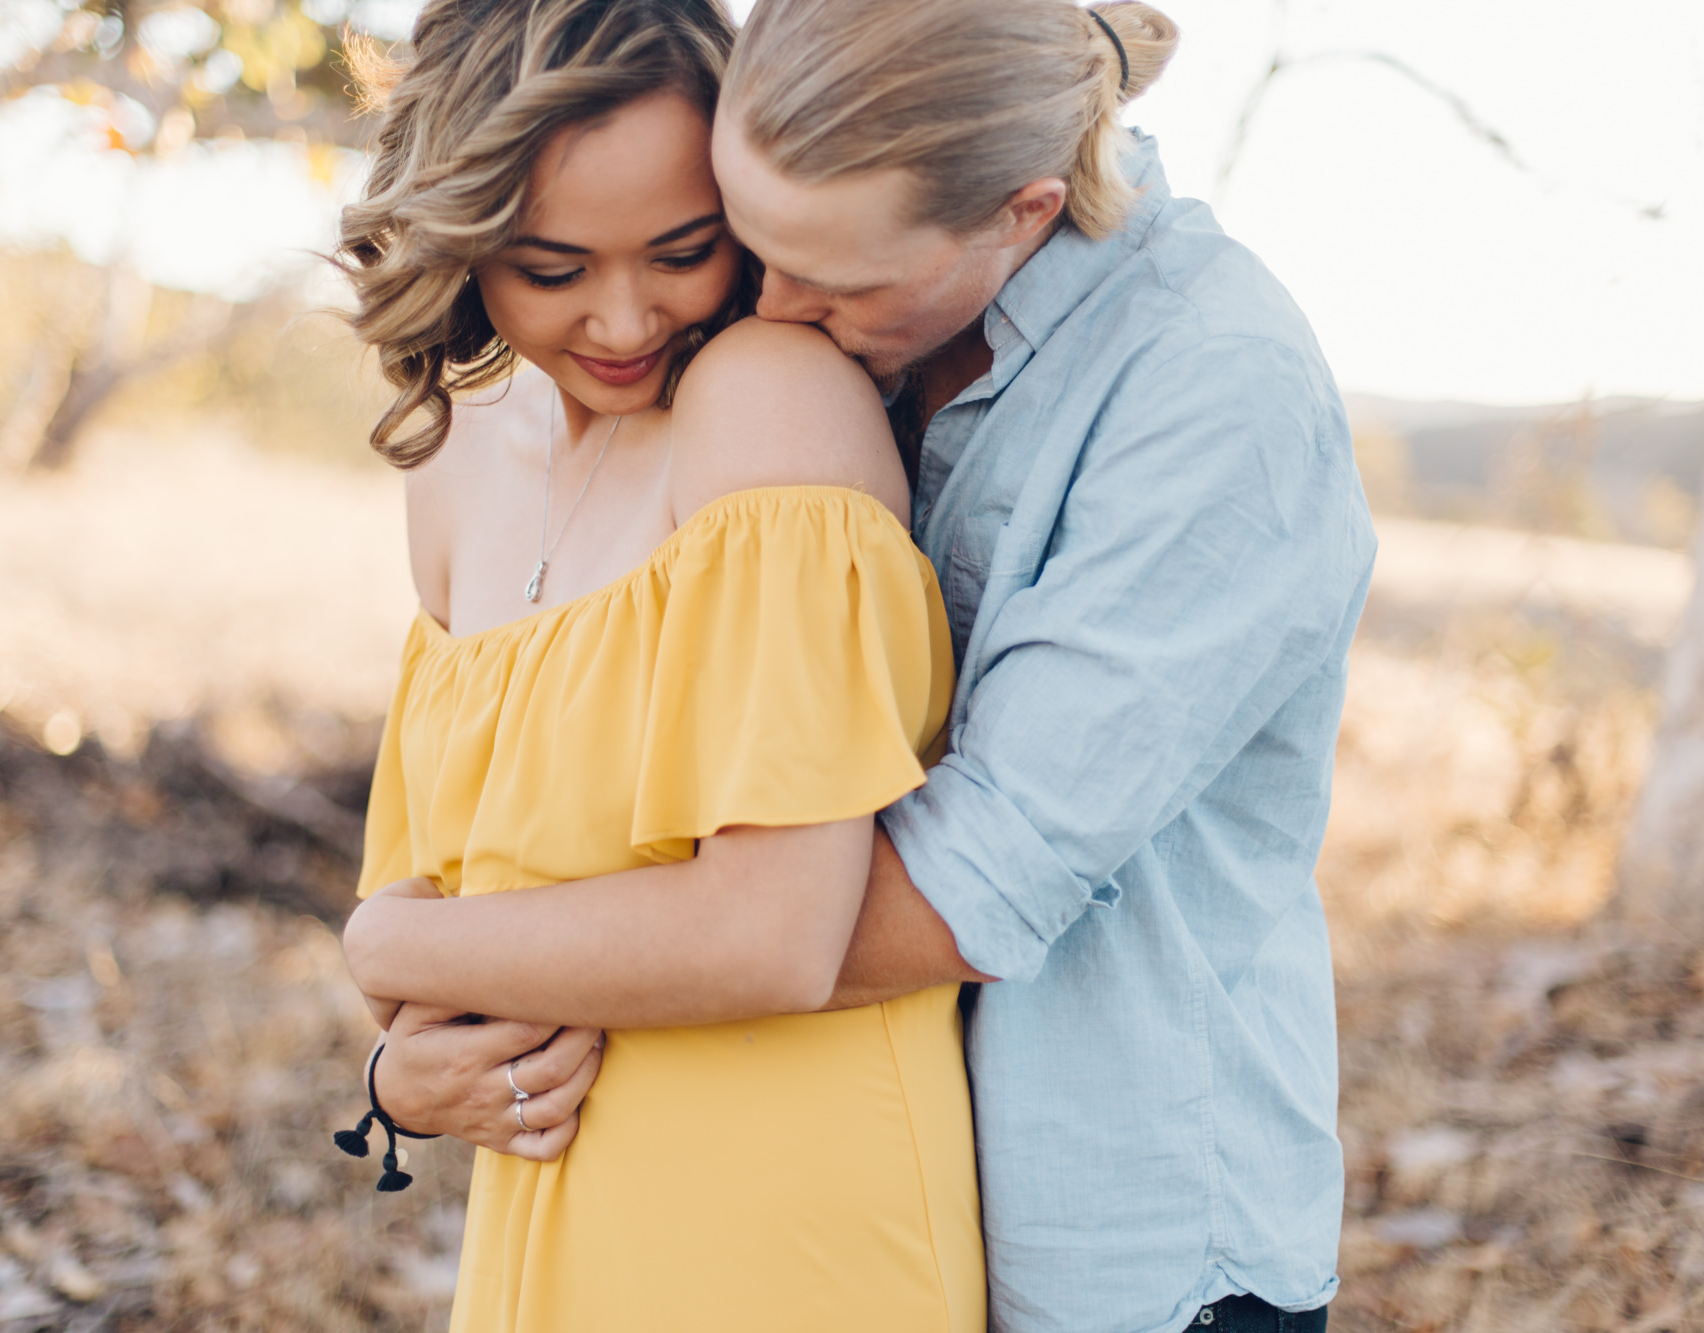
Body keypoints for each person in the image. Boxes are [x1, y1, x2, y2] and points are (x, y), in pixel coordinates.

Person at [350, 1, 1377, 1331]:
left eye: (819, 275)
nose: (769, 311)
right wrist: (407, 1043)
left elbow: (919, 892)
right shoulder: (829, 326)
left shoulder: (1210, 388)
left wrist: (425, 950)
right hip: (674, 1190)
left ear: (1021, 212)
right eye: (753, 246)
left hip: (1121, 1243)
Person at [334, 1, 983, 1330]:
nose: (625, 317)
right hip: (546, 1224)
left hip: (784, 1228)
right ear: (463, 239)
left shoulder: (767, 399)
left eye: (683, 251)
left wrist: (387, 938)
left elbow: (776, 930)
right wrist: (402, 1073)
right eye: (551, 266)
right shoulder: (455, 465)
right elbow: (446, 957)